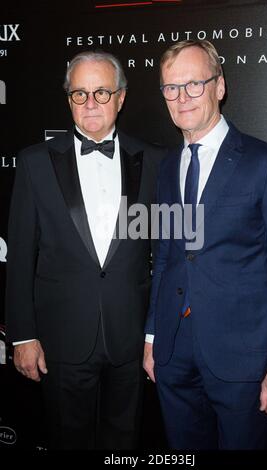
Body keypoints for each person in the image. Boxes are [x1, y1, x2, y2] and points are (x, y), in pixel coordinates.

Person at [144, 40, 267, 450]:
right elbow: (165, 259)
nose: (182, 97)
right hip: (174, 356)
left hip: (245, 360)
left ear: (220, 87)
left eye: (195, 84)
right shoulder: (166, 168)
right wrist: (153, 339)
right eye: (171, 88)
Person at [5, 50, 165, 450]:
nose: (91, 103)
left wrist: (156, 333)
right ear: (68, 98)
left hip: (130, 340)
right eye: (80, 94)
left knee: (124, 442)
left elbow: (164, 255)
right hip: (61, 340)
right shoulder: (35, 163)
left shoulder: (154, 162)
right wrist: (23, 336)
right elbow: (20, 256)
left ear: (121, 97)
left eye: (101, 92)